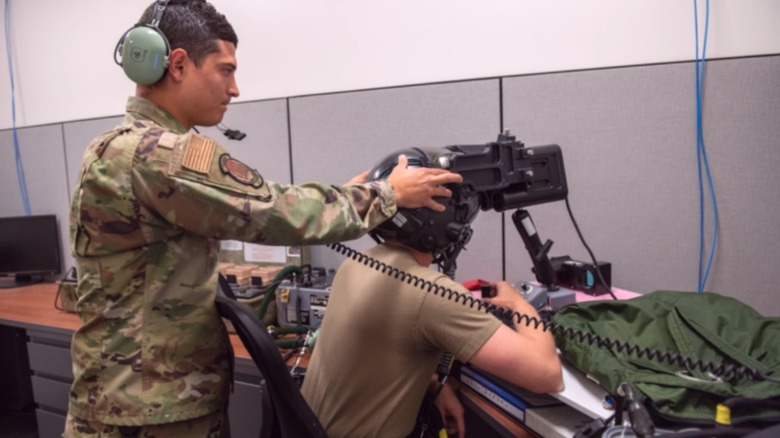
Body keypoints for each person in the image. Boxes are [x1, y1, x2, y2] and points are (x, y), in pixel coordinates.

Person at [65, 1, 462, 437]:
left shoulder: (114, 145)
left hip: (130, 396)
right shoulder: (164, 154)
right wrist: (388, 194)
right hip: (154, 410)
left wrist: (348, 197)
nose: (234, 88)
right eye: (225, 69)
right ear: (178, 64)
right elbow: (273, 212)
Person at [301, 147, 564, 438]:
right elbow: (547, 375)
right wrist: (517, 302)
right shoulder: (430, 293)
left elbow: (384, 347)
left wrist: (434, 385)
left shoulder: (356, 265)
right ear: (442, 222)